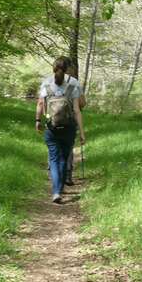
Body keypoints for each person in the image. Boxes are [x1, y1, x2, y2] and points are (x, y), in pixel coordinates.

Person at [36, 57, 86, 203]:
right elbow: (78, 110)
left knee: (54, 159)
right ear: (67, 69)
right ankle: (60, 187)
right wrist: (82, 133)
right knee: (64, 158)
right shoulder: (73, 85)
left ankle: (56, 191)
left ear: (54, 68)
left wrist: (38, 121)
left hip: (52, 127)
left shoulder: (46, 84)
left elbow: (40, 103)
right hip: (69, 128)